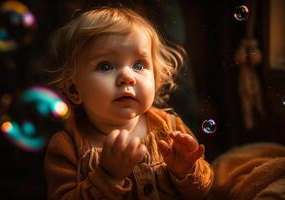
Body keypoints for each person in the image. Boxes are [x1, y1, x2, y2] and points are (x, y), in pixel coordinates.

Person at [44, 6, 213, 200]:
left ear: (156, 81)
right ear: (74, 90)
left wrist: (186, 171)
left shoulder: (171, 128)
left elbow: (202, 192)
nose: (127, 76)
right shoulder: (67, 146)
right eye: (105, 66)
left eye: (139, 65)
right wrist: (108, 176)